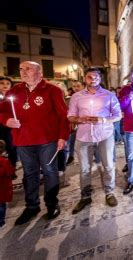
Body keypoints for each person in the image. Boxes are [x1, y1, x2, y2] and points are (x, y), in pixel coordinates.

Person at [0, 61, 70, 225]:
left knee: (49, 171)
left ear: (39, 72)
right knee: (29, 173)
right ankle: (32, 206)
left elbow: (62, 116)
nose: (23, 72)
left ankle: (52, 203)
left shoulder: (53, 90)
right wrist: (6, 120)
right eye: (21, 69)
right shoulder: (15, 91)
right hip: (23, 140)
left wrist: (62, 137)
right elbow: (2, 111)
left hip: (47, 140)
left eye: (28, 69)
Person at [68, 67, 122, 214]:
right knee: (84, 169)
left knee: (108, 166)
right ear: (85, 78)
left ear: (100, 79)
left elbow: (118, 115)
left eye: (96, 77)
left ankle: (109, 192)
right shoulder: (76, 96)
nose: (93, 79)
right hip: (83, 137)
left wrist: (102, 119)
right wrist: (79, 119)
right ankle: (85, 197)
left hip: (104, 135)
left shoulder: (109, 95)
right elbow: (70, 116)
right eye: (90, 77)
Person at [0, 76, 17, 178]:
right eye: (2, 83)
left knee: (12, 149)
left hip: (9, 128)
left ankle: (11, 170)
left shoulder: (13, 98)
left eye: (7, 83)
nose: (5, 85)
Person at [66, 80, 85, 165]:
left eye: (78, 86)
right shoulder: (71, 97)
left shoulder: (87, 96)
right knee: (72, 140)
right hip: (74, 123)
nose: (76, 88)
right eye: (74, 86)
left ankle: (96, 157)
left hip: (85, 123)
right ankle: (71, 155)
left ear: (83, 86)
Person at [0, 140, 15, 228]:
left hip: (2, 188)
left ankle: (1, 222)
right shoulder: (4, 161)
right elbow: (11, 171)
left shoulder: (3, 161)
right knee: (2, 205)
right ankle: (1, 222)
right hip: (3, 188)